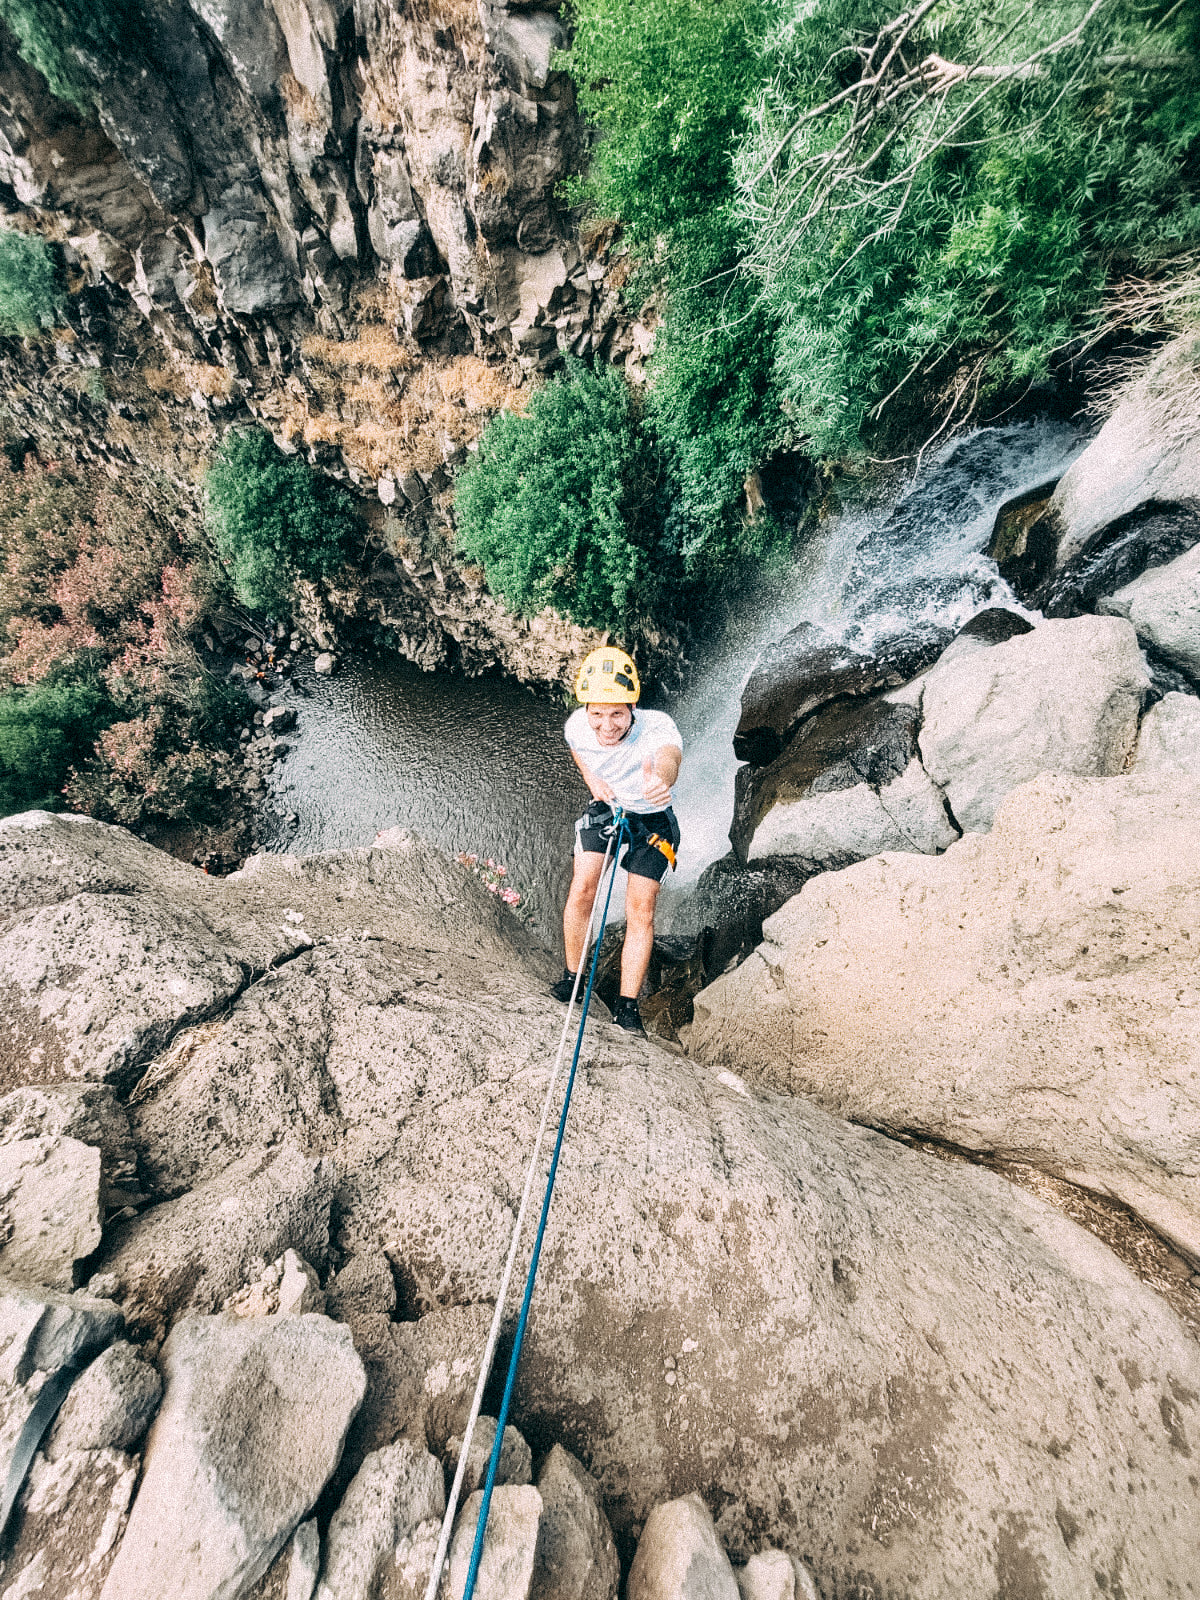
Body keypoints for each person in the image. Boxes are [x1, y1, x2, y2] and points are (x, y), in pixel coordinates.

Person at [550, 646, 683, 1035]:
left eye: (616, 714)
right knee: (582, 891)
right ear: (586, 710)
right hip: (609, 807)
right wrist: (593, 780)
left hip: (653, 819)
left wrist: (662, 779)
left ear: (633, 707)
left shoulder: (658, 728)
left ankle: (628, 1008)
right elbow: (579, 751)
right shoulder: (577, 727)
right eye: (597, 714)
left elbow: (669, 757)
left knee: (639, 910)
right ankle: (571, 979)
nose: (606, 726)